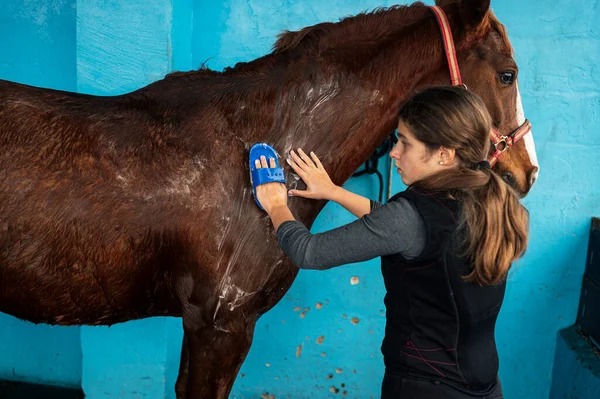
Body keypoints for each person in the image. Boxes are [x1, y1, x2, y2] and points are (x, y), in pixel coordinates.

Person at [251, 86, 529, 399]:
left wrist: (275, 204)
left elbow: (309, 253)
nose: (394, 152)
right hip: (485, 386)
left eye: (405, 144)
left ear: (444, 154)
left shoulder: (411, 216)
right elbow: (397, 224)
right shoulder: (493, 199)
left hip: (423, 389)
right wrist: (333, 191)